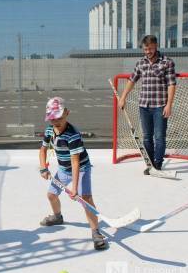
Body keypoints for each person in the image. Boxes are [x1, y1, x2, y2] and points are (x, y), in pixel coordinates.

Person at [39, 97, 107, 250]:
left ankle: (96, 232)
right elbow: (43, 150)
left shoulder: (73, 134)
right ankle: (57, 217)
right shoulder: (49, 130)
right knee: (51, 195)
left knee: (86, 199)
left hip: (81, 168)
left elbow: (75, 162)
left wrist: (75, 188)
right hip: (63, 169)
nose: (56, 122)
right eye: (52, 118)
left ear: (67, 113)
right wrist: (43, 167)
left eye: (59, 118)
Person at [118, 35, 176, 175]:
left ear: (156, 46)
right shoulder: (140, 63)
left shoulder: (167, 62)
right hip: (144, 105)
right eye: (145, 49)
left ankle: (158, 164)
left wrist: (169, 105)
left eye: (150, 48)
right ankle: (150, 164)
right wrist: (123, 97)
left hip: (160, 105)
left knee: (159, 137)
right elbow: (132, 80)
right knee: (146, 137)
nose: (148, 52)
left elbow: (171, 84)